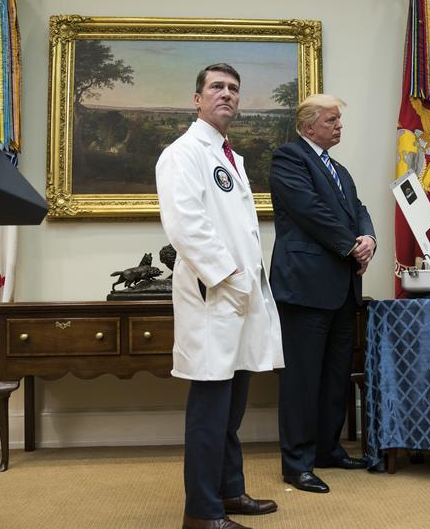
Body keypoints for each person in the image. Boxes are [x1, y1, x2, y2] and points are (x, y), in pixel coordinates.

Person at [156, 63, 284, 529]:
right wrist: (230, 276)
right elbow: (186, 226)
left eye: (233, 88)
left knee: (232, 408)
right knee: (210, 409)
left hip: (239, 296)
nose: (226, 94)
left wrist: (245, 283)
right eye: (216, 87)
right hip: (215, 295)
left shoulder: (232, 157)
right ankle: (202, 512)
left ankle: (230, 492)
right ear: (197, 98)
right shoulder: (182, 153)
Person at [269, 94, 376, 493]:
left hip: (343, 288)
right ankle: (297, 463)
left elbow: (359, 208)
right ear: (309, 125)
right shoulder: (288, 159)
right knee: (301, 378)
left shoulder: (340, 170)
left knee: (334, 376)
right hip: (305, 286)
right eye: (332, 120)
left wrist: (369, 238)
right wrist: (352, 244)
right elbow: (311, 210)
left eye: (339, 120)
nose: (339, 126)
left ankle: (328, 449)